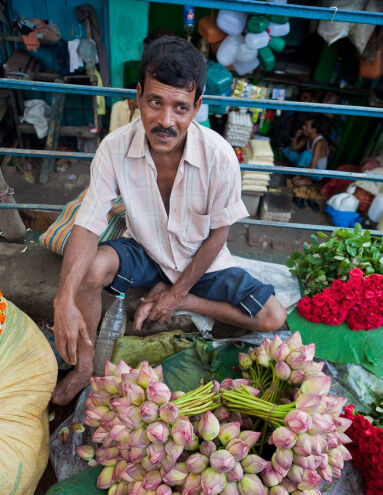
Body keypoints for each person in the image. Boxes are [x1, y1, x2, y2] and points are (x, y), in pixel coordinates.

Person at [52, 36, 286, 405]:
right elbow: (88, 223)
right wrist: (62, 298)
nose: (165, 121)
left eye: (180, 107)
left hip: (200, 262)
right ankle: (84, 368)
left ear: (196, 108)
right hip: (145, 250)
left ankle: (191, 301)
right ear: (138, 95)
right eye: (155, 102)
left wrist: (178, 297)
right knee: (92, 269)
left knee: (272, 316)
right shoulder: (113, 148)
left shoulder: (220, 157)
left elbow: (217, 237)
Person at [283, 117, 329, 186]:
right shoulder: (309, 137)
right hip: (308, 167)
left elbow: (313, 165)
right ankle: (298, 173)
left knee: (306, 154)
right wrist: (296, 136)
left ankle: (305, 179)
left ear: (314, 129)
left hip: (317, 173)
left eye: (306, 126)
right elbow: (294, 149)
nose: (303, 127)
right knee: (289, 151)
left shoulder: (319, 143)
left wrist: (303, 178)